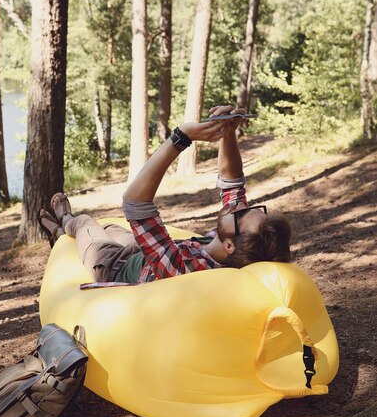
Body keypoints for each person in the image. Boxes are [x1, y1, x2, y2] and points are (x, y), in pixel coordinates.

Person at [39, 106, 291, 285]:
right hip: (140, 251)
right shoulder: (233, 245)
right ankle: (64, 232)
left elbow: (135, 202)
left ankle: (64, 224)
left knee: (86, 223)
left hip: (114, 264)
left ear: (229, 245)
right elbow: (232, 184)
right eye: (255, 207)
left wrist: (181, 137)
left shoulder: (185, 270)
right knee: (111, 227)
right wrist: (227, 132)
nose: (239, 206)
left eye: (242, 212)